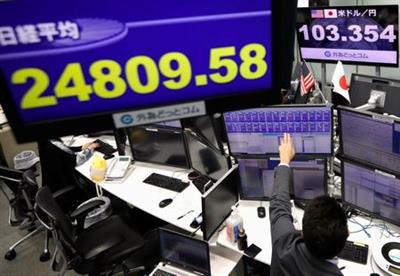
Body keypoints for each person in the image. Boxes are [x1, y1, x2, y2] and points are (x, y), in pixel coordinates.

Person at [270, 133, 348, 276]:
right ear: (346, 236)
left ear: (302, 232)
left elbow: (278, 204)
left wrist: (284, 161)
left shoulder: (283, 245)